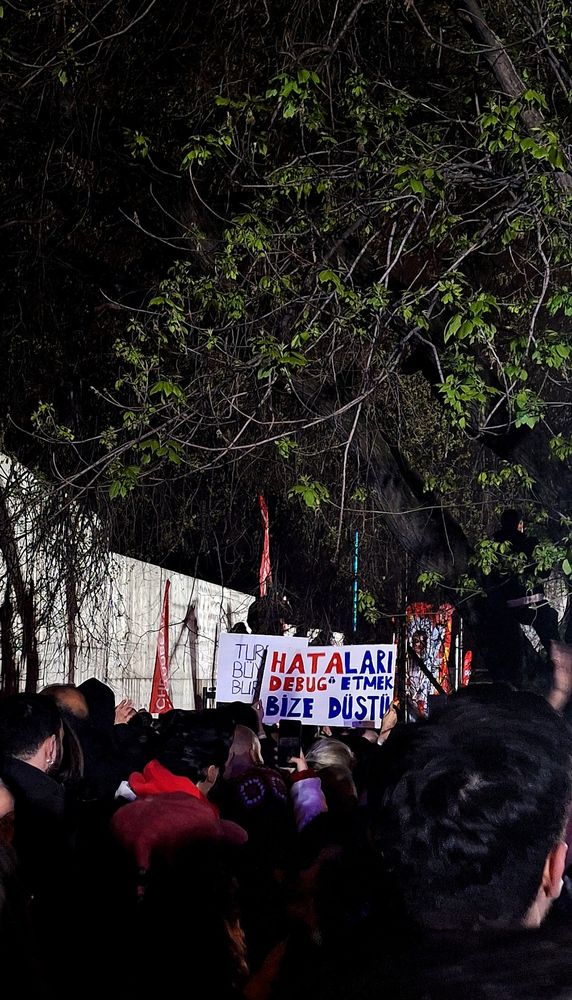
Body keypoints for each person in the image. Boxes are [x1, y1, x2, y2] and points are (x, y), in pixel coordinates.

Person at [490, 509, 560, 655]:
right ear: (518, 524)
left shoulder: (492, 547)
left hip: (506, 609)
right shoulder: (529, 543)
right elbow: (544, 572)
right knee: (555, 650)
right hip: (533, 606)